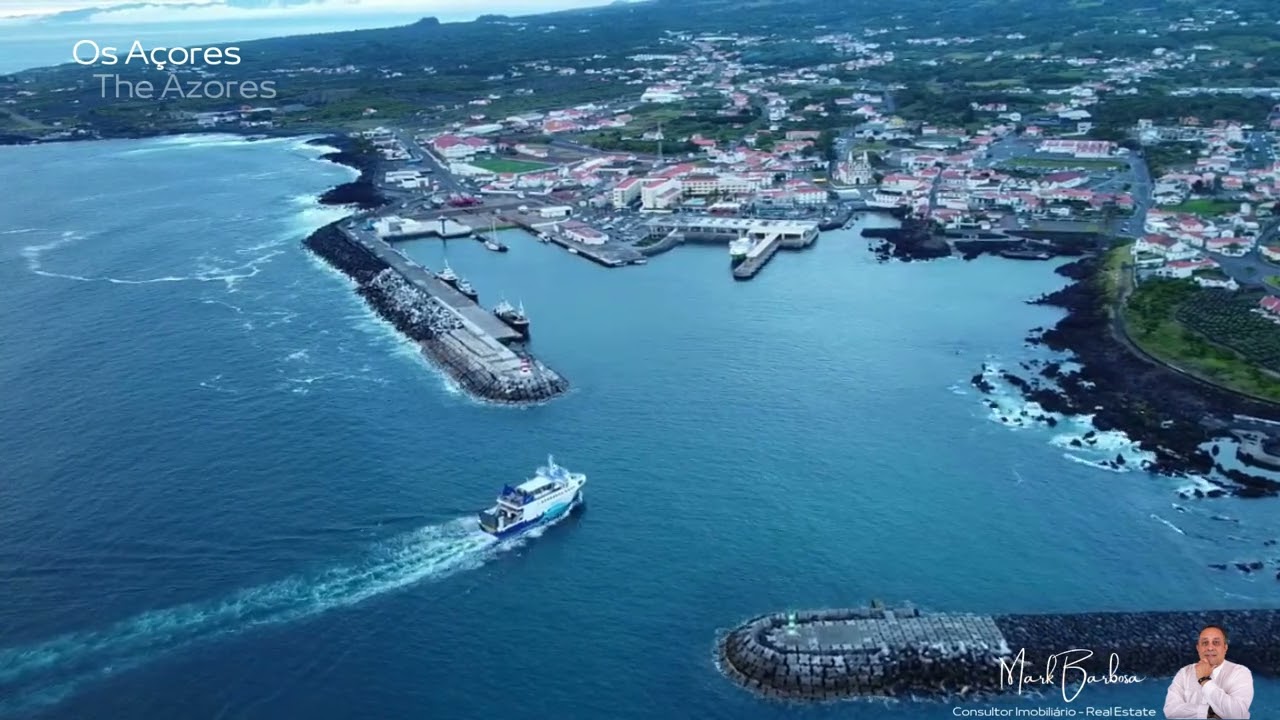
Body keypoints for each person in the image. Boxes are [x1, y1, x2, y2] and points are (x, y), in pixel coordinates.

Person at [1164, 624, 1253, 719]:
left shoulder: (1240, 672)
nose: (1210, 648)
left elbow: (1237, 714)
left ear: (1225, 648)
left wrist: (1204, 680)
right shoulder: (1184, 673)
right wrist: (1209, 712)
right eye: (1205, 643)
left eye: (1216, 642)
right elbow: (1170, 710)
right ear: (1198, 648)